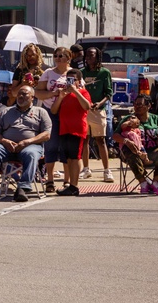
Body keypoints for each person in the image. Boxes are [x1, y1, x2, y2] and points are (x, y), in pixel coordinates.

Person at [0, 84, 51, 203]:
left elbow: (47, 134)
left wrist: (27, 141)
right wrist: (4, 141)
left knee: (30, 154)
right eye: (19, 94)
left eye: (24, 94)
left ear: (32, 97)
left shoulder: (40, 112)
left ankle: (22, 188)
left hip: (30, 146)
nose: (21, 96)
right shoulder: (6, 111)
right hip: (7, 147)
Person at [35, 46, 74, 192]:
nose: (58, 58)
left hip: (68, 112)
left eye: (61, 55)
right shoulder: (48, 73)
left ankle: (66, 181)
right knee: (51, 145)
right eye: (56, 56)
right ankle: (50, 180)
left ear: (69, 58)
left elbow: (81, 91)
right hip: (50, 112)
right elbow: (38, 93)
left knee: (66, 146)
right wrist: (53, 94)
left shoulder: (74, 73)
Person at [50, 68, 91, 196]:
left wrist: (75, 91)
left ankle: (74, 185)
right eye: (69, 80)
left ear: (79, 81)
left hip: (77, 129)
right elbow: (54, 110)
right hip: (64, 129)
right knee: (68, 158)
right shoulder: (64, 94)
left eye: (73, 80)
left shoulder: (83, 92)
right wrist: (61, 97)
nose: (70, 82)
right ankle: (71, 185)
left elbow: (87, 106)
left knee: (75, 157)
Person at [114, 95, 158, 193]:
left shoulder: (157, 119)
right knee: (130, 150)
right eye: (135, 104)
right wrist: (126, 141)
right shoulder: (130, 119)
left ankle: (155, 182)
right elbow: (115, 135)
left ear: (148, 106)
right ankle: (144, 183)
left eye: (140, 104)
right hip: (133, 153)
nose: (137, 107)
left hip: (153, 152)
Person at [80, 46, 115, 183]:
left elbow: (108, 93)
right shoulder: (82, 72)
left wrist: (99, 104)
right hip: (84, 109)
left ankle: (107, 170)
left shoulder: (104, 72)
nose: (89, 57)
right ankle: (86, 169)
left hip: (98, 110)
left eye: (92, 55)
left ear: (98, 56)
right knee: (85, 140)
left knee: (100, 140)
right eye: (87, 55)